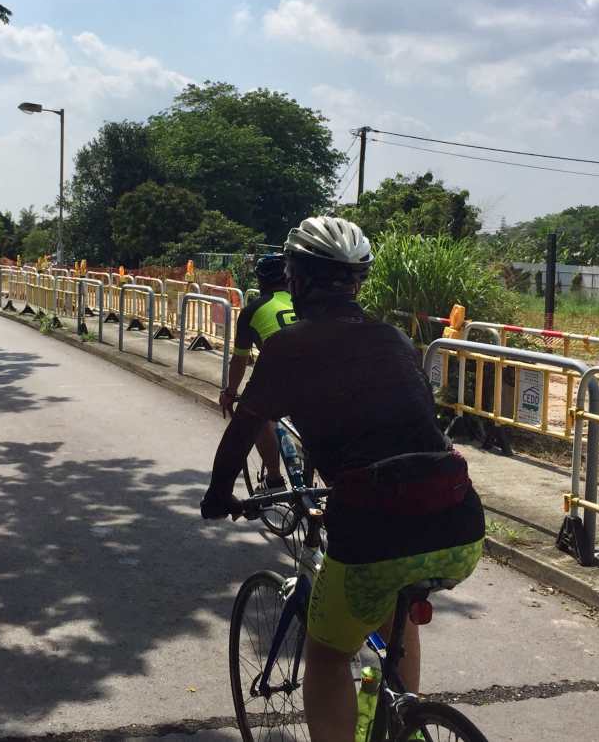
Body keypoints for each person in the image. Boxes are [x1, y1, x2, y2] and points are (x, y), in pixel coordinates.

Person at [200, 216, 485, 742]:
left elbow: (243, 429)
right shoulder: (396, 339)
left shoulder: (289, 347)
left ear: (297, 279)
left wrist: (219, 496)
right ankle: (402, 720)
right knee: (393, 622)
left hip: (374, 526)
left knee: (328, 654)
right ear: (358, 283)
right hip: (460, 524)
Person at [219, 253, 296, 490]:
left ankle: (274, 479)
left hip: (282, 379)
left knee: (257, 416)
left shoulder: (252, 310)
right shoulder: (303, 301)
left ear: (260, 280)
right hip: (323, 373)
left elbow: (239, 360)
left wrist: (231, 392)